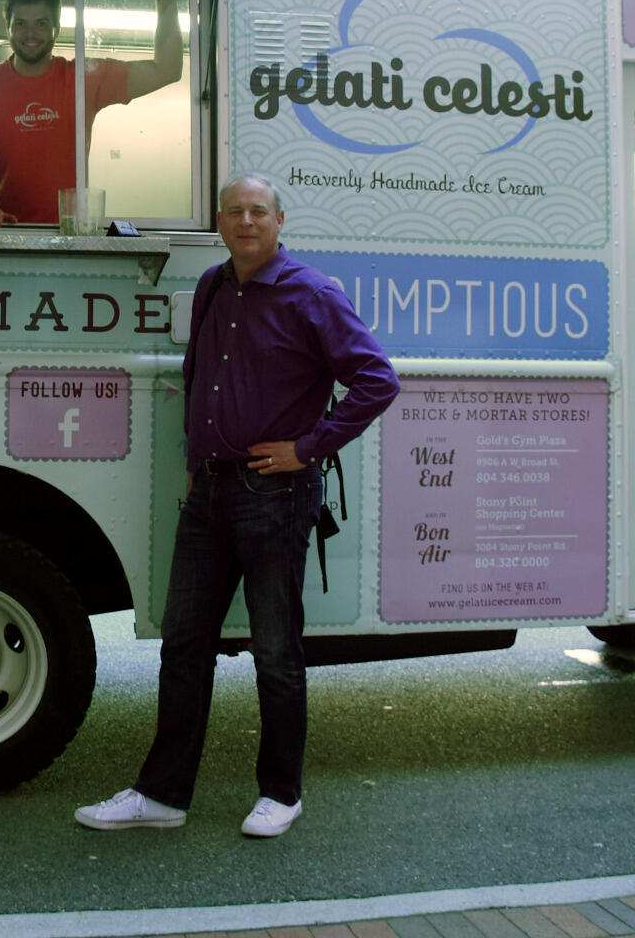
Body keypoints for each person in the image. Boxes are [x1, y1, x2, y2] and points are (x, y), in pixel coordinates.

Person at [74, 172, 399, 839]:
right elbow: (199, 375)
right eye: (233, 211)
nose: (245, 221)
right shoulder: (213, 287)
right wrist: (196, 465)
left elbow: (377, 381)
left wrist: (308, 448)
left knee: (276, 652)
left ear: (280, 221)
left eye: (258, 211)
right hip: (211, 494)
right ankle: (162, 796)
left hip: (275, 497)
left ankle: (281, 794)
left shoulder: (312, 294)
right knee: (184, 646)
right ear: (220, 223)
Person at [0, 0, 182, 226]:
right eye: (20, 24)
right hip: (10, 233)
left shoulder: (83, 78)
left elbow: (167, 70)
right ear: (7, 27)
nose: (30, 33)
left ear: (57, 29)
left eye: (41, 24)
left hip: (70, 234)